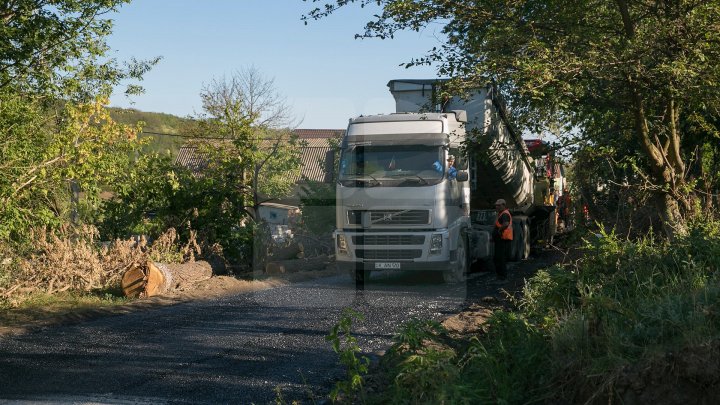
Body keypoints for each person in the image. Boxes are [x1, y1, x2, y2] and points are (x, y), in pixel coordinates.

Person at [493, 198, 513, 281]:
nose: (497, 207)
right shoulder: (501, 213)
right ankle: (500, 276)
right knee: (498, 258)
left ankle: (502, 277)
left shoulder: (504, 214)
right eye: (496, 205)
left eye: (499, 205)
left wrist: (499, 230)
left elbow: (506, 224)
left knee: (500, 258)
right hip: (500, 239)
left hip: (503, 239)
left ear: (504, 205)